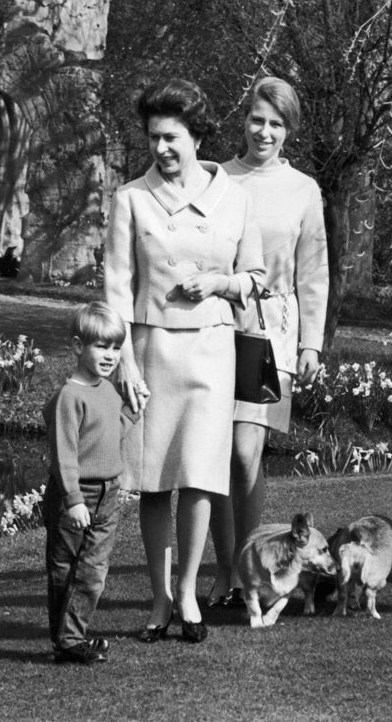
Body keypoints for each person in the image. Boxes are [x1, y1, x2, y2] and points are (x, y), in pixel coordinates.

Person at [103, 78, 265, 644]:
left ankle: (191, 593)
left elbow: (258, 279)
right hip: (150, 351)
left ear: (198, 135)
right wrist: (122, 360)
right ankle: (158, 599)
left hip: (211, 352)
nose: (161, 149)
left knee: (198, 477)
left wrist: (222, 282)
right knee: (152, 481)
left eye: (171, 137)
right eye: (153, 138)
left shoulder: (235, 197)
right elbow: (117, 289)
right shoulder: (130, 199)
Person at [207, 77, 328, 607]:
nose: (265, 131)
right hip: (215, 325)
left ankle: (246, 568)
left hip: (272, 331)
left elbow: (314, 272)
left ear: (289, 130)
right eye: (258, 119)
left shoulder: (303, 189)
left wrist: (311, 343)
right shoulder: (216, 178)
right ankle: (225, 572)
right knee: (211, 453)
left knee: (245, 452)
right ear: (245, 120)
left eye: (276, 123)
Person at [42, 301, 140, 665]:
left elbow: (111, 435)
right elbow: (64, 453)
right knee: (66, 566)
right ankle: (68, 640)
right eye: (101, 346)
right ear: (77, 346)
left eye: (116, 347)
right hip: (77, 494)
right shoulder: (70, 396)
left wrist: (134, 410)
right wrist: (72, 499)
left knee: (94, 569)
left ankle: (71, 637)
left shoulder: (107, 389)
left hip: (108, 493)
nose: (110, 355)